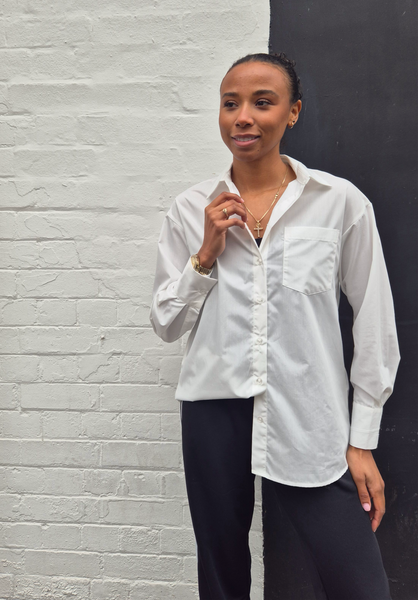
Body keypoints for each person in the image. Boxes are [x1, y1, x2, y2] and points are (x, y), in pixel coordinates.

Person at [150, 52, 400, 600]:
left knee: (359, 582)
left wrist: (362, 440)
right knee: (221, 576)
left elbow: (375, 321)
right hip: (213, 409)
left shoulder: (339, 203)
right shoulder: (191, 208)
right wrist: (205, 255)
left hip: (309, 409)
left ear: (293, 112)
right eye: (230, 103)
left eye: (262, 102)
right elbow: (166, 322)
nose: (243, 117)